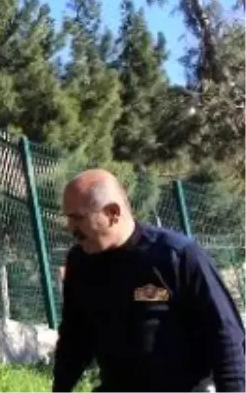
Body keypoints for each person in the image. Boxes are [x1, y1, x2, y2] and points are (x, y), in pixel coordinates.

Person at [52, 168, 246, 393]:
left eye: (77, 218)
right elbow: (75, 338)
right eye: (67, 218)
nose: (70, 228)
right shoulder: (81, 263)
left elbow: (226, 337)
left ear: (112, 212)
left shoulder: (176, 256)